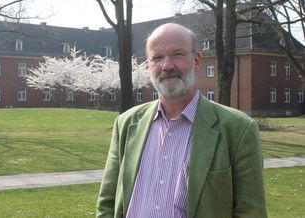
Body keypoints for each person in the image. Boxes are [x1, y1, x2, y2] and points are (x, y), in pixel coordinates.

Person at [96, 23, 267, 218]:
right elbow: (107, 205)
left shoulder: (238, 129)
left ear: (197, 59)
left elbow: (251, 212)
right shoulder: (126, 124)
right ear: (149, 65)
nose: (167, 66)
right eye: (157, 57)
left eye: (177, 54)